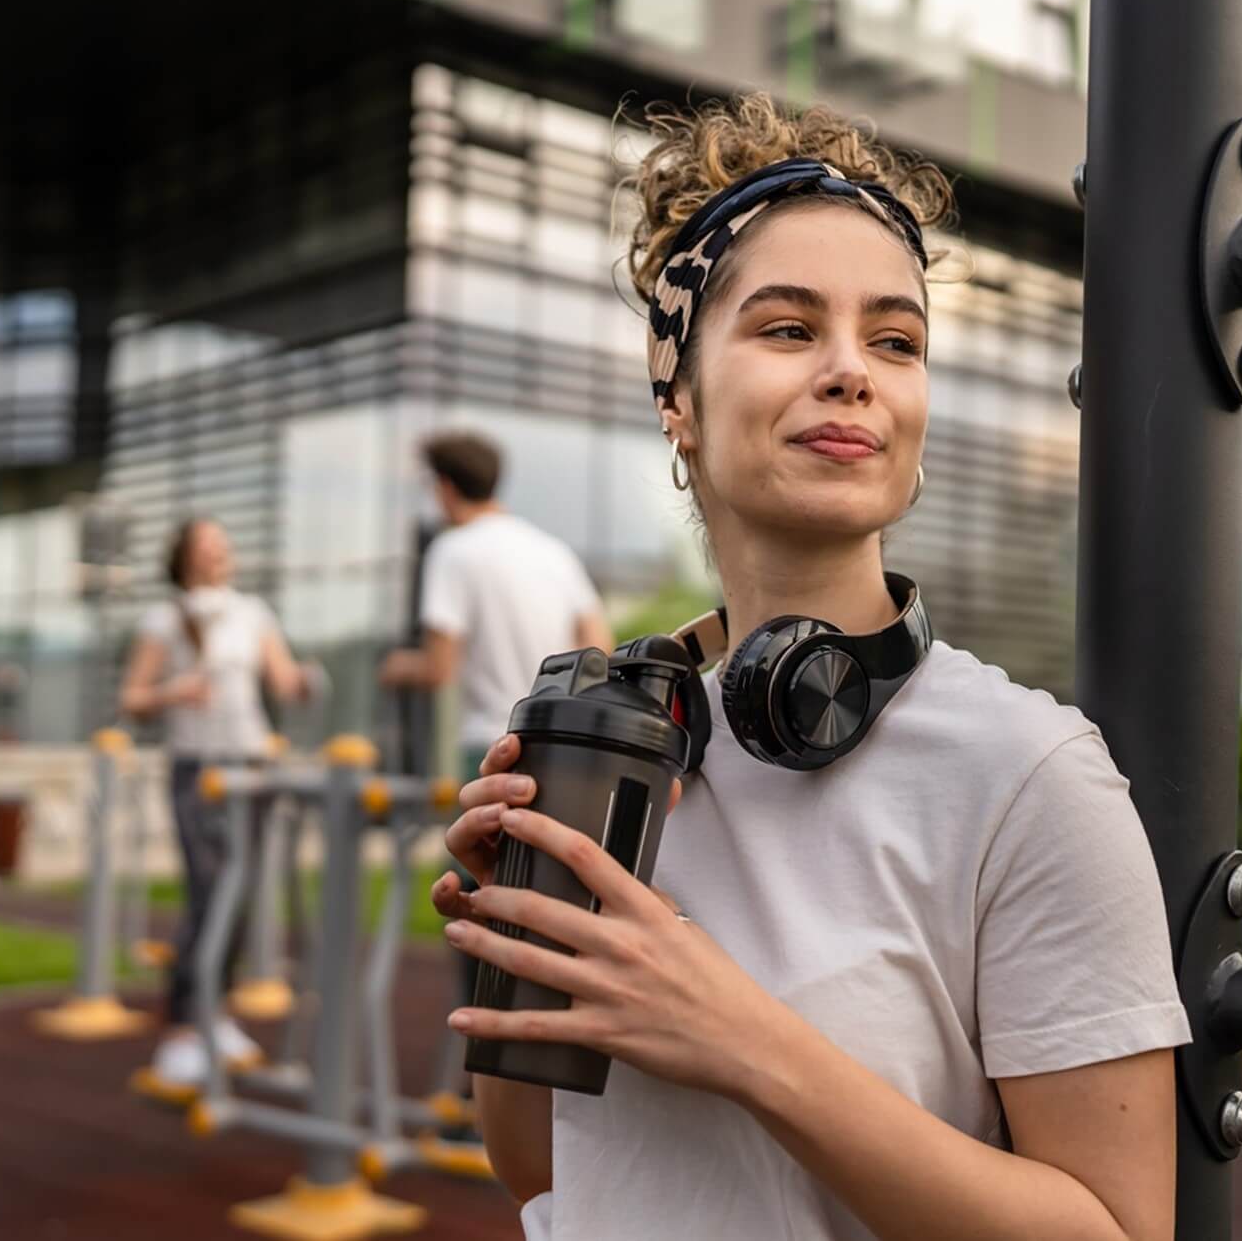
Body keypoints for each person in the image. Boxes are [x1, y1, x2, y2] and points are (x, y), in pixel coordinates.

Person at [432, 95, 1191, 1241]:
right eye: (788, 329)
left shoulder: (1031, 775)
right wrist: (517, 950)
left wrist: (738, 1037)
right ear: (675, 398)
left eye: (896, 340)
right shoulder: (606, 746)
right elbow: (540, 1173)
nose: (853, 372)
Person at [119, 516, 317, 1087]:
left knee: (240, 894)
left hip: (250, 766)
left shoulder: (252, 613)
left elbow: (282, 682)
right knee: (208, 892)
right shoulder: (165, 619)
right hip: (198, 770)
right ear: (184, 556)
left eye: (222, 544)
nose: (218, 552)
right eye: (206, 545)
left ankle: (217, 1013)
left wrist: (306, 681)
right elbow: (131, 697)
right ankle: (182, 1026)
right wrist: (173, 692)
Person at [379, 431, 614, 779]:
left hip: (491, 744)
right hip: (557, 739)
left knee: (482, 835)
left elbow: (438, 667)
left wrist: (395, 668)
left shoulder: (452, 551)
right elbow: (600, 647)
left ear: (445, 488)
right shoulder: (554, 551)